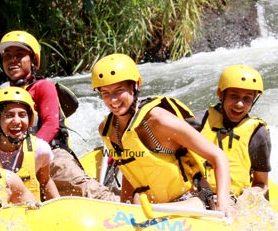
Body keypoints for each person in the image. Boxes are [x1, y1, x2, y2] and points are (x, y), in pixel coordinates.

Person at [91, 53, 233, 217]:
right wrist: (125, 209)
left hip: (192, 201)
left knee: (152, 211)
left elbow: (218, 156)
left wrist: (223, 205)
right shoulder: (107, 129)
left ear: (135, 86)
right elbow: (130, 169)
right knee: (141, 208)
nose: (113, 100)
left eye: (119, 91)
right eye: (105, 93)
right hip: (153, 205)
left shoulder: (159, 120)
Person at [0, 30, 117, 201]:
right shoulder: (5, 95)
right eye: (7, 56)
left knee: (92, 194)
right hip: (17, 160)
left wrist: (28, 155)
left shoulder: (43, 87)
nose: (12, 60)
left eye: (19, 55)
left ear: (33, 61)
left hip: (53, 157)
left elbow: (51, 125)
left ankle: (119, 206)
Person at [199, 65, 271, 198]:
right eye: (234, 96)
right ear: (220, 94)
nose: (239, 104)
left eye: (247, 98)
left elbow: (261, 184)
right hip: (198, 195)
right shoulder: (198, 122)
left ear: (254, 100)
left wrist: (241, 202)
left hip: (235, 199)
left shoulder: (258, 134)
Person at [0, 87, 59, 202]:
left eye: (22, 115)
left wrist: (59, 209)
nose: (16, 121)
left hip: (29, 214)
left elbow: (45, 182)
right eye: (9, 115)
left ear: (30, 119)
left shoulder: (40, 149)